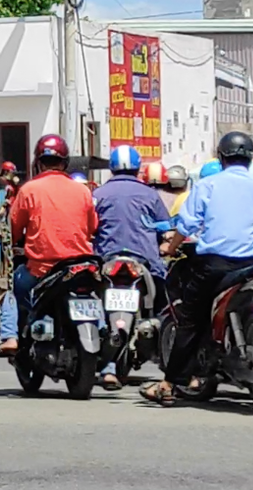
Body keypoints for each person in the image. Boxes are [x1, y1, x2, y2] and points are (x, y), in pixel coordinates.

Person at [141, 131, 253, 407]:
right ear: (250, 158)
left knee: (190, 319)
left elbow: (187, 224)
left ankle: (169, 383)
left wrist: (170, 247)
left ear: (222, 157)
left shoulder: (208, 185)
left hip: (215, 265)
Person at [0, 134, 98, 357]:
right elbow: (91, 228)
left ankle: (10, 336)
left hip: (42, 269)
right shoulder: (83, 191)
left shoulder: (29, 190)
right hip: (81, 266)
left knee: (10, 286)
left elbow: (13, 230)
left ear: (39, 163)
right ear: (65, 162)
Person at [91, 145, 172, 390]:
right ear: (137, 168)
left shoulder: (98, 194)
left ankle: (107, 365)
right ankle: (167, 359)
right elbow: (165, 227)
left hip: (105, 260)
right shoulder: (150, 195)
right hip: (145, 262)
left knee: (94, 304)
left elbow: (89, 227)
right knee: (165, 306)